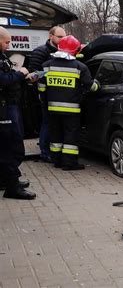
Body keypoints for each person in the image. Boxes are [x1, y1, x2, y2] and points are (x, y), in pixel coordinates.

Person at [38, 35, 99, 171]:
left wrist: (45, 102)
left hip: (52, 109)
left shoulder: (46, 66)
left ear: (59, 48)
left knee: (56, 134)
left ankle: (57, 161)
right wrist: (98, 85)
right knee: (71, 136)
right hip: (72, 110)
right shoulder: (80, 67)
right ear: (76, 51)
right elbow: (90, 86)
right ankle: (69, 163)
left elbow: (41, 88)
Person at [0, 27, 36, 199]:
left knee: (8, 145)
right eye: (6, 42)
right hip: (3, 109)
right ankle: (12, 187)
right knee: (11, 146)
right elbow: (3, 80)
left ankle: (7, 179)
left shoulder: (2, 57)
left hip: (9, 106)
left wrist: (19, 75)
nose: (8, 45)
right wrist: (20, 74)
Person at [29, 26, 67, 162]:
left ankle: (53, 150)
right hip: (46, 95)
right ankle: (45, 152)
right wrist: (41, 94)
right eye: (60, 37)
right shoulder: (40, 52)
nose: (63, 39)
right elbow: (34, 75)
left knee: (55, 124)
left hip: (61, 96)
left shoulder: (64, 51)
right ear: (51, 36)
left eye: (64, 37)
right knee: (47, 123)